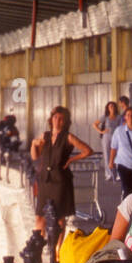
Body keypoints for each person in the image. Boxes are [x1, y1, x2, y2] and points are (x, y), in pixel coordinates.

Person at [31, 106, 93, 254]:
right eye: (55, 118)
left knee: (59, 217)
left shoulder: (68, 137)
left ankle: (56, 251)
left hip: (60, 182)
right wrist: (34, 144)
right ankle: (38, 247)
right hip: (44, 181)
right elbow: (35, 157)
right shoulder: (45, 136)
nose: (57, 121)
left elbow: (88, 150)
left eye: (61, 119)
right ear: (51, 119)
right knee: (40, 215)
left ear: (65, 122)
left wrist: (72, 159)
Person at [93, 100, 121, 182]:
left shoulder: (119, 117)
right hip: (106, 137)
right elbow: (94, 124)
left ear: (115, 108)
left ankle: (118, 174)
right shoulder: (105, 117)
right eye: (110, 106)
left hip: (116, 137)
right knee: (107, 155)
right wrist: (101, 131)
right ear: (108, 108)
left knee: (118, 154)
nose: (112, 108)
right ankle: (108, 174)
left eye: (113, 106)